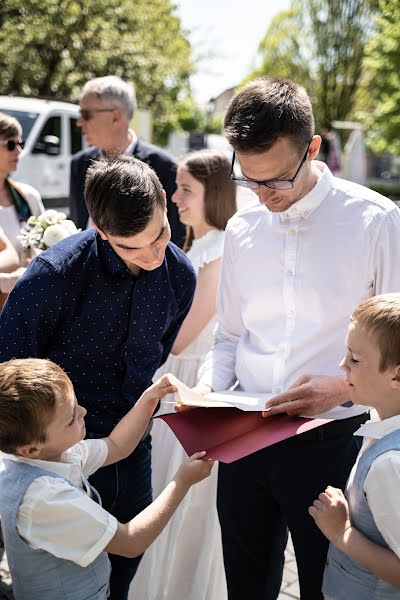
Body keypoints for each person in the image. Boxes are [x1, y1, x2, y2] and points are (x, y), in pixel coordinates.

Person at [193, 77, 400, 599]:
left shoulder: (376, 221)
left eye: (277, 182)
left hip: (334, 442)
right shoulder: (242, 230)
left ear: (311, 149)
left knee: (322, 586)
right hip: (241, 436)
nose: (264, 197)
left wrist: (343, 387)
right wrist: (202, 395)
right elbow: (229, 338)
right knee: (246, 586)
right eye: (250, 181)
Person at [0, 155, 196, 599]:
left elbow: (157, 355)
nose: (155, 254)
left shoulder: (180, 275)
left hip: (132, 441)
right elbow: (9, 372)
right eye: (134, 247)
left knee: (122, 569)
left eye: (161, 234)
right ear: (100, 229)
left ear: (164, 202)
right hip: (57, 453)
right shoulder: (52, 278)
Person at [0, 358, 214, 600]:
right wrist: (182, 481)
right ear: (30, 448)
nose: (83, 412)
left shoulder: (55, 454)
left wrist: (148, 399)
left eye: (76, 404)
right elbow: (131, 541)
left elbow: (116, 445)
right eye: (71, 418)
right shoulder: (44, 498)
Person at [133, 150, 237, 600]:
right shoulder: (187, 247)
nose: (174, 198)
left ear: (213, 195)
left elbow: (181, 336)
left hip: (193, 383)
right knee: (153, 490)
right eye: (176, 187)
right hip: (169, 377)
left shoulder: (218, 253)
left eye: (186, 190)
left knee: (181, 498)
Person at [310, 294, 400, 599]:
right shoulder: (382, 421)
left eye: (355, 359)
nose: (341, 365)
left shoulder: (390, 464)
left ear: (397, 375)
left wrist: (342, 532)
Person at [69, 75, 185, 247]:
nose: (79, 122)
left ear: (115, 116)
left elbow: (173, 239)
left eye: (86, 114)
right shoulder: (79, 164)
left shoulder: (164, 167)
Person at [0, 112, 44, 292]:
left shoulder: (28, 197)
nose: (19, 151)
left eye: (20, 143)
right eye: (10, 144)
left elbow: (49, 249)